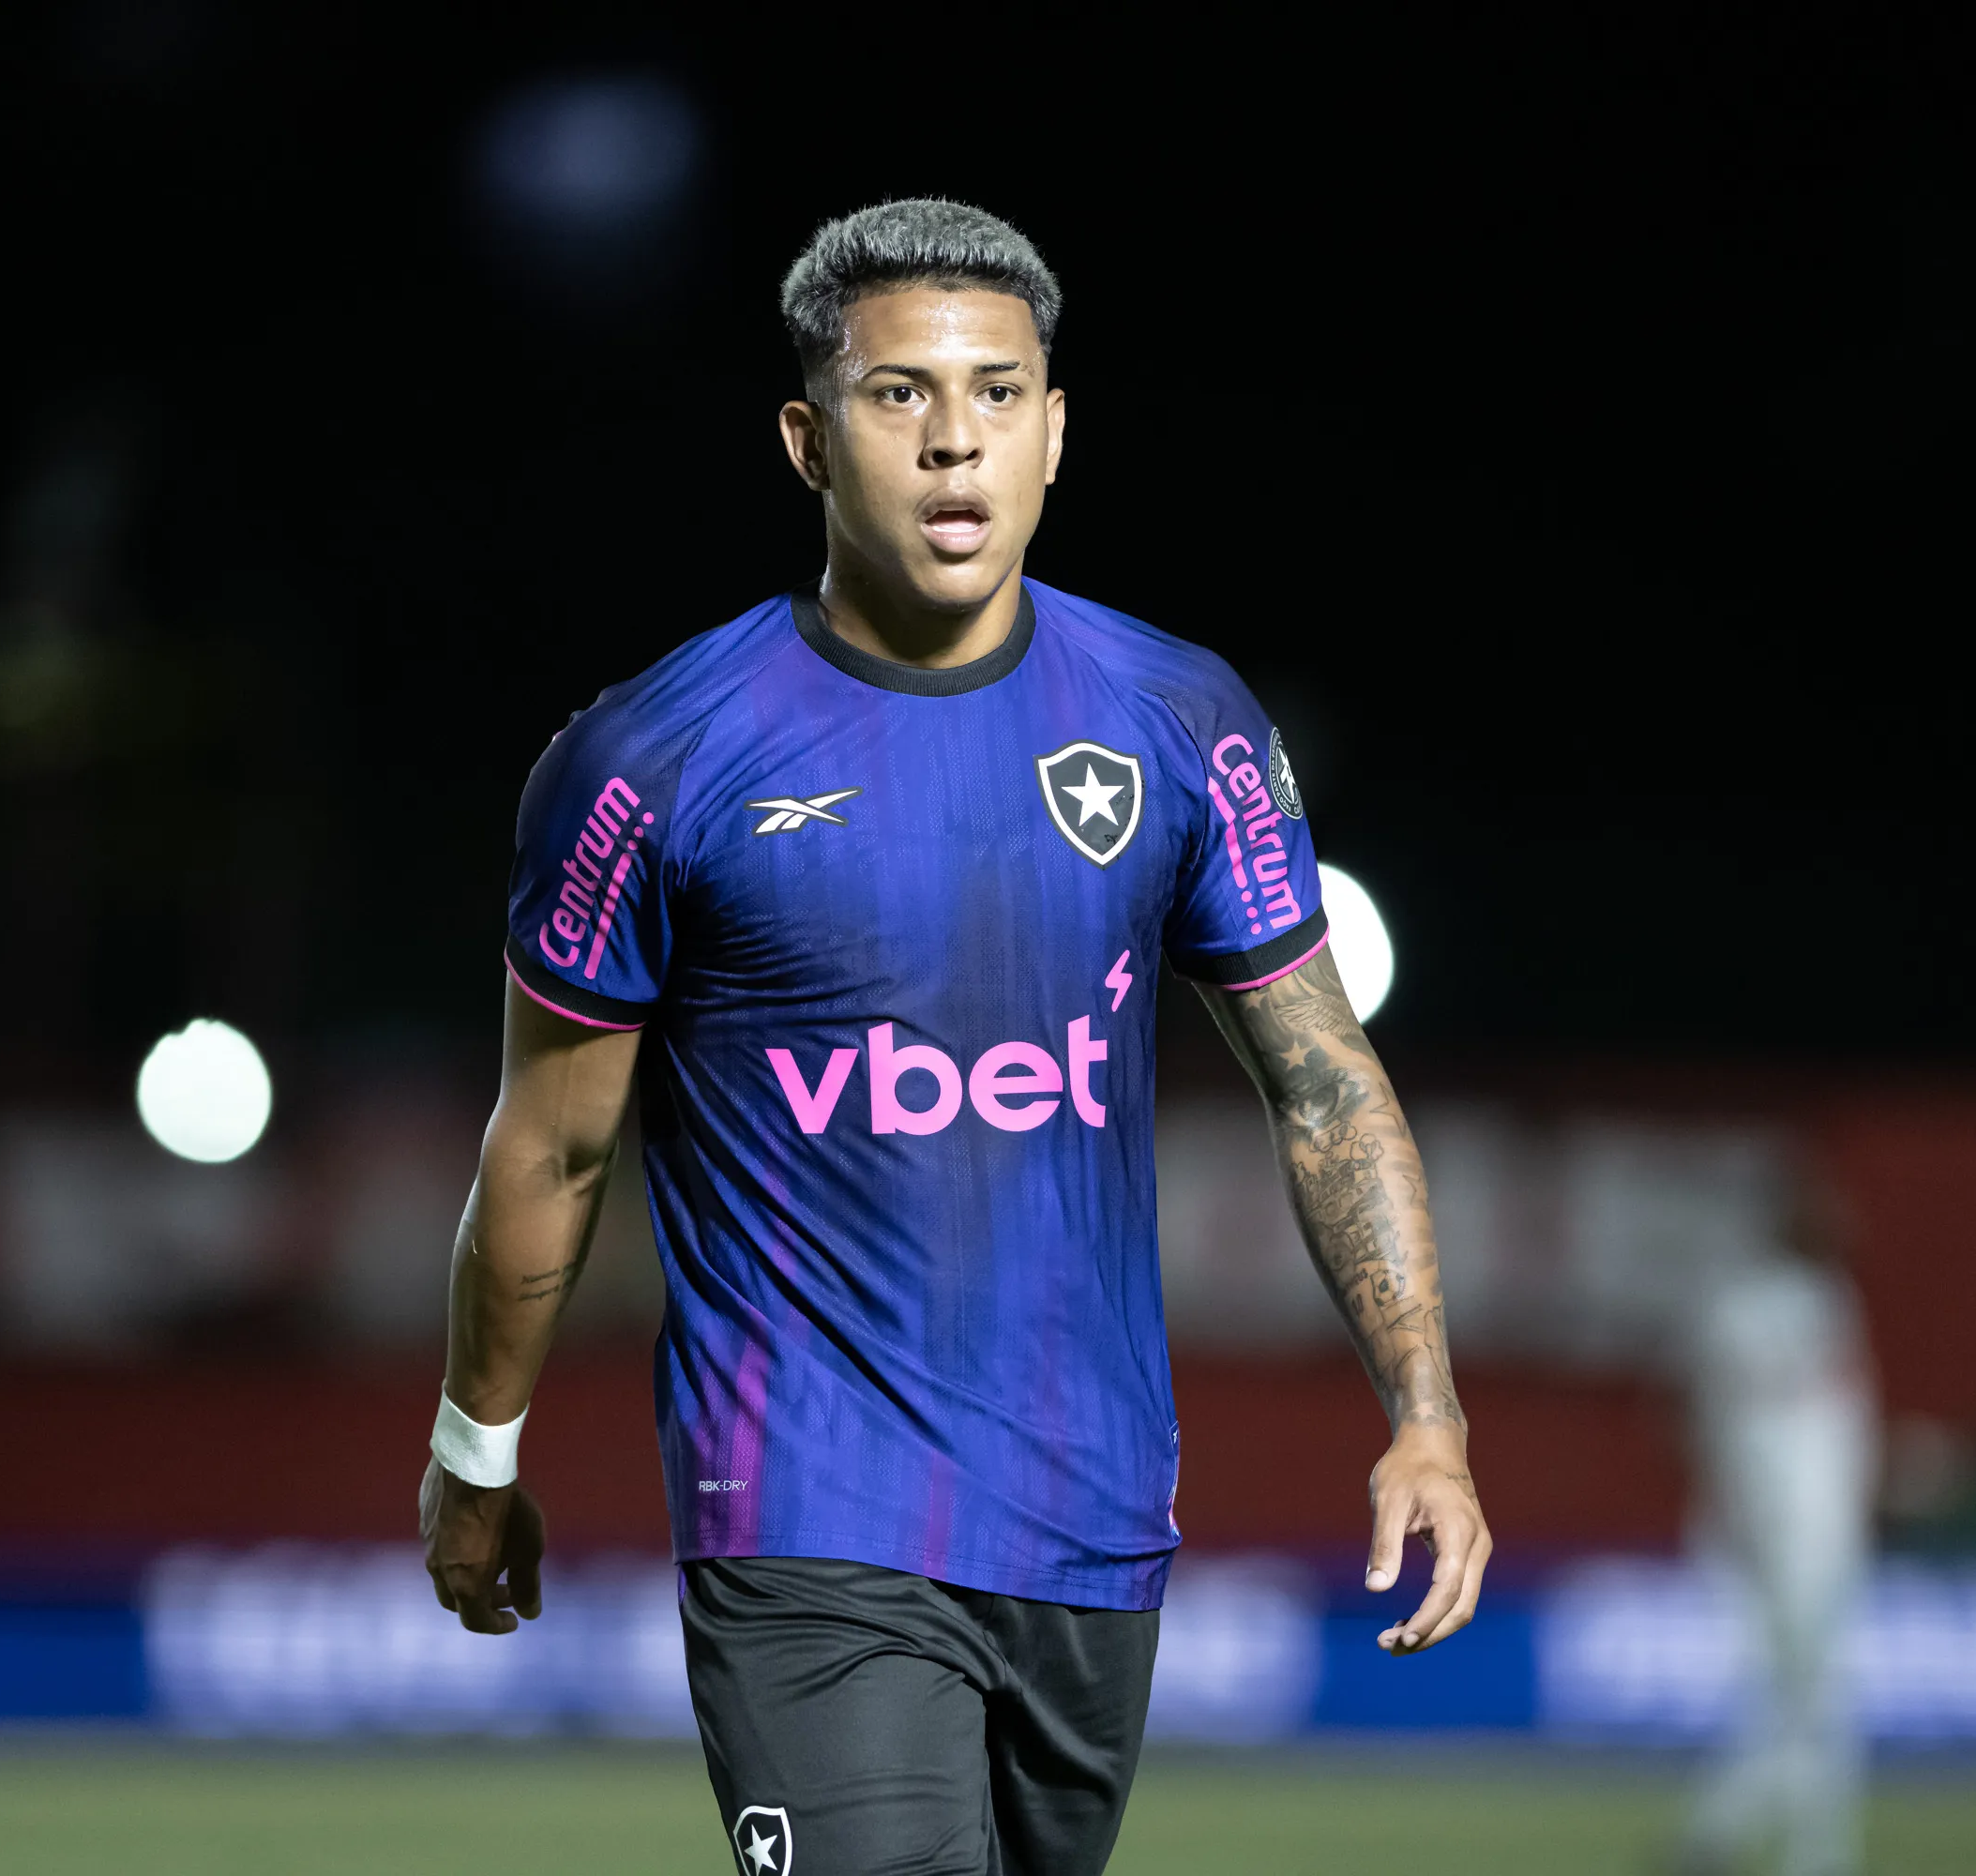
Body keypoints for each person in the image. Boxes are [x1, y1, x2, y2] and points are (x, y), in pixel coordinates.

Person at [420, 198, 1490, 1875]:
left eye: (997, 395)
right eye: (898, 396)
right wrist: (476, 1451)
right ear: (806, 436)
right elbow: (551, 1140)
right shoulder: (650, 761)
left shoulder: (1176, 721)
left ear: (1056, 432)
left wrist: (1427, 1411)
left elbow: (1325, 1082)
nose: (952, 444)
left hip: (1094, 1519)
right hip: (805, 1514)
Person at [1678, 1208, 1878, 1876]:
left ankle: (1729, 1831)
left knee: (1798, 1692)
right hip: (1794, 1527)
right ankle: (1802, 1850)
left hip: (1771, 1524)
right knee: (1810, 1693)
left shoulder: (1758, 1301)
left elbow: (1714, 1418)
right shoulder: (1797, 1300)